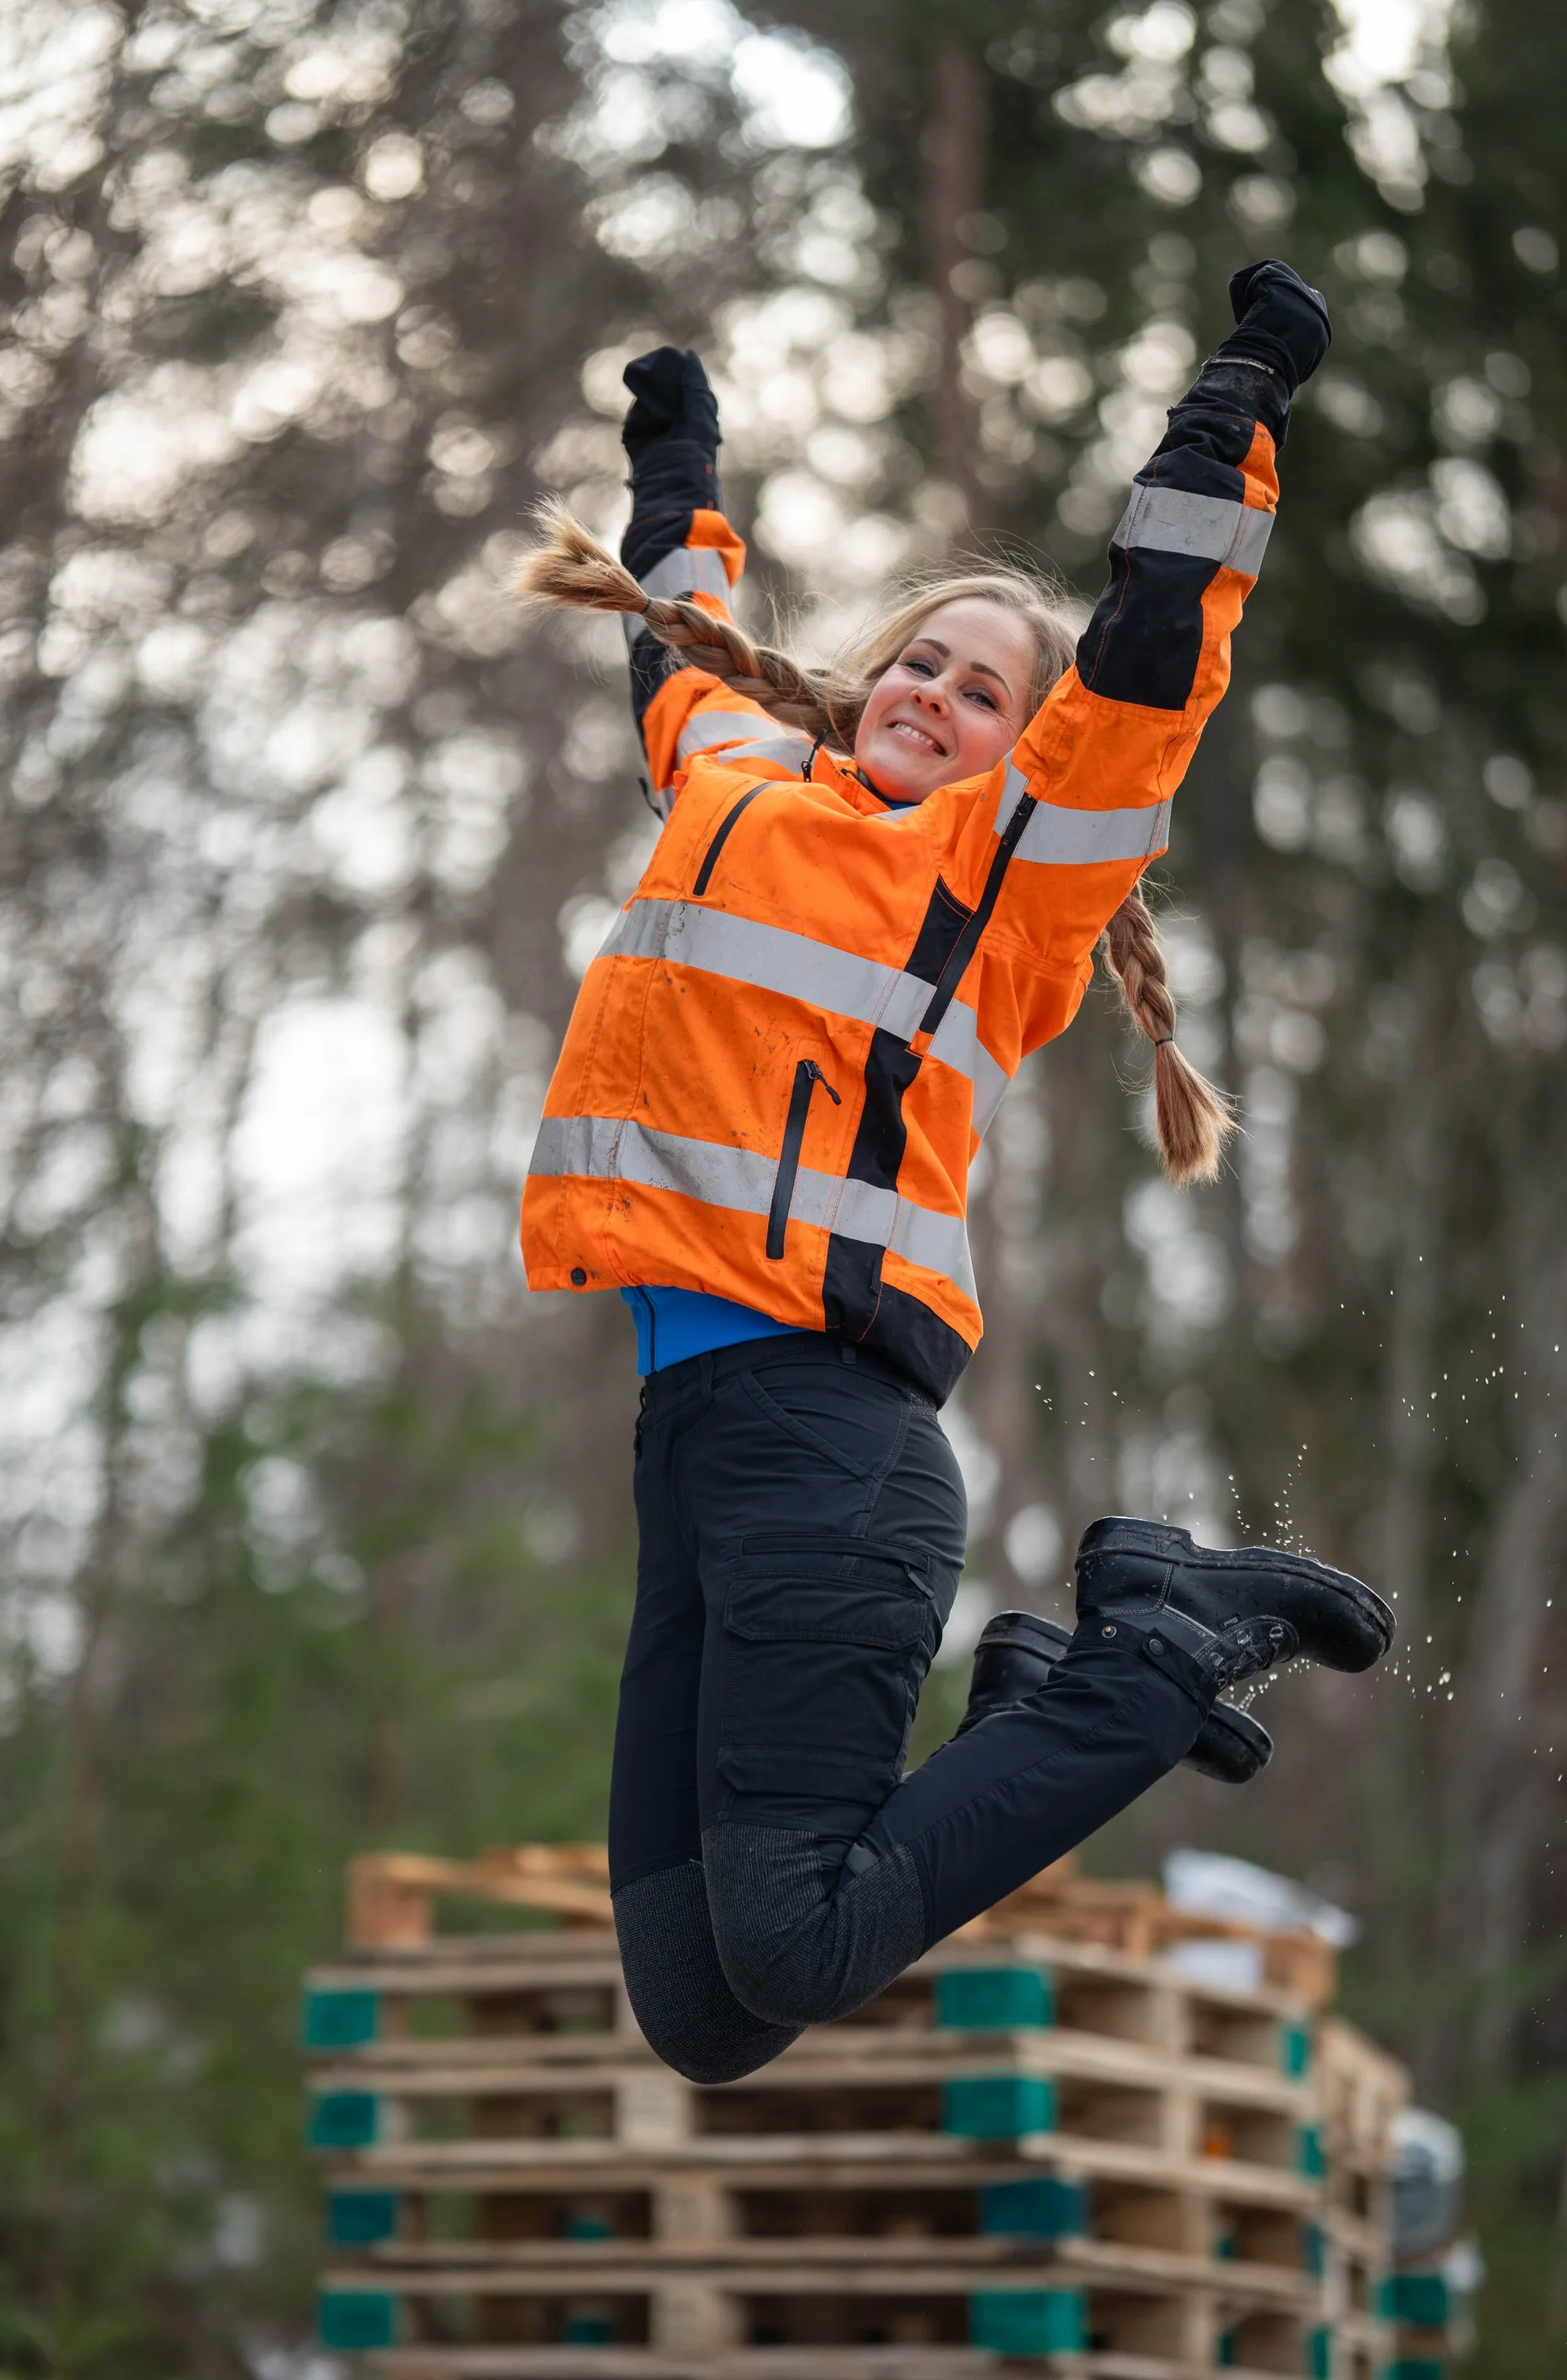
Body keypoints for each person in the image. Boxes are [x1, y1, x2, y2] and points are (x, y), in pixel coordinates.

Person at [514, 265, 1393, 2087]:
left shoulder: (1005, 886)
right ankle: (1023, 1707)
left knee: (801, 1938)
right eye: (918, 659)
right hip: (689, 1447)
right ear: (862, 683)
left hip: (829, 1443)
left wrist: (1229, 407)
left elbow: (1150, 654)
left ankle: (1162, 1638)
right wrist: (674, 460)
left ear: (1020, 752)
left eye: (986, 693)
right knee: (703, 2015)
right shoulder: (738, 778)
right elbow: (673, 630)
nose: (935, 693)